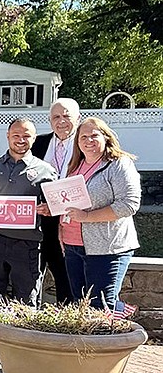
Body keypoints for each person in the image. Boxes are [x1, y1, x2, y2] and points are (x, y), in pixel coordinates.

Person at [0, 118, 57, 361]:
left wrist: (48, 208)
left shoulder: (46, 171)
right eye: (16, 135)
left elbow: (56, 205)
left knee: (26, 295)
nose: (21, 140)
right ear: (8, 136)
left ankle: (24, 346)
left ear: (33, 138)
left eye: (26, 136)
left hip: (27, 243)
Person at [52, 116, 140, 314]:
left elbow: (129, 204)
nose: (88, 141)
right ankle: (118, 316)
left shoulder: (118, 164)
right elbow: (67, 203)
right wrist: (60, 229)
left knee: (101, 305)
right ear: (77, 141)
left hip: (107, 247)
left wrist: (86, 217)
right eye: (83, 137)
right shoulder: (75, 167)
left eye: (94, 135)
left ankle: (107, 339)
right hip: (72, 245)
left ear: (106, 138)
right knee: (81, 303)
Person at [31, 98, 80, 304]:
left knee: (67, 280)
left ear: (78, 118)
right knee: (32, 279)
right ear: (50, 121)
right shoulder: (38, 144)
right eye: (56, 117)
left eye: (66, 116)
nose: (61, 121)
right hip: (41, 223)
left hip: (72, 223)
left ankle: (67, 330)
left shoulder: (84, 143)